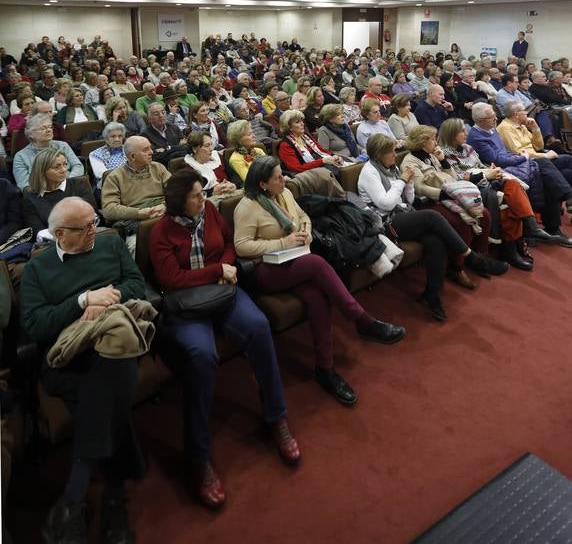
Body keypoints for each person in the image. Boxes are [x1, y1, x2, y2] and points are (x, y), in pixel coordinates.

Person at [148, 169, 300, 508]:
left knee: (259, 327)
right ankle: (198, 456)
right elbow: (172, 279)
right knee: (202, 356)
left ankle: (276, 417)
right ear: (178, 201)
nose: (203, 199)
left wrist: (226, 268)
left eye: (203, 193)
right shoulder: (161, 230)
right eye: (196, 196)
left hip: (222, 292)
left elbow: (229, 245)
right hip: (188, 304)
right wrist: (216, 271)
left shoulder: (211, 212)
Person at [20, 198, 146, 544]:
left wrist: (113, 296)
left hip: (115, 344)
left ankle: (74, 500)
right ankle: (114, 496)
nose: (94, 231)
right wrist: (82, 302)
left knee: (111, 369)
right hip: (67, 358)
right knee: (108, 394)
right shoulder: (38, 269)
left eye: (95, 222)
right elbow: (34, 326)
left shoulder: (110, 243)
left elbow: (138, 285)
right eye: (84, 227)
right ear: (60, 234)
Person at [233, 157, 405, 406]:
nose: (284, 180)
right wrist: (283, 243)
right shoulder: (247, 207)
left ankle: (325, 369)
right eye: (278, 177)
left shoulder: (284, 194)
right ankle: (361, 320)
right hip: (266, 269)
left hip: (294, 260)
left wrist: (303, 230)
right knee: (316, 264)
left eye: (283, 174)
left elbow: (303, 215)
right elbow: (242, 246)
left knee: (317, 297)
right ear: (262, 184)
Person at [358, 134, 475, 319]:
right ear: (379, 154)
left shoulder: (390, 166)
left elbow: (408, 200)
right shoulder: (369, 172)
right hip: (384, 223)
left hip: (401, 214)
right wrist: (403, 181)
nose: (394, 155)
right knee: (431, 216)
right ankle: (469, 255)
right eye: (391, 152)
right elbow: (386, 204)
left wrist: (409, 183)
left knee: (435, 240)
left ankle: (432, 294)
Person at [437, 118, 560, 268]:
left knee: (512, 186)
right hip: (470, 189)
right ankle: (517, 244)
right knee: (508, 202)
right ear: (451, 134)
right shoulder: (445, 154)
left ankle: (526, 233)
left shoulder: (468, 148)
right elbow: (456, 177)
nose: (466, 132)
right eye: (462, 131)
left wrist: (492, 169)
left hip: (487, 179)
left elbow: (481, 165)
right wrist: (485, 175)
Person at [400, 125, 509, 286]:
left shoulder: (432, 156)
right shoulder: (410, 161)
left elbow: (452, 178)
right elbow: (419, 188)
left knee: (483, 213)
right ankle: (455, 268)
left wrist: (443, 161)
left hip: (449, 195)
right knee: (462, 221)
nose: (435, 141)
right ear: (422, 142)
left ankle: (481, 257)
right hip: (429, 203)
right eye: (432, 138)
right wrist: (445, 194)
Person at [467, 103, 572, 244]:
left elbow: (533, 147)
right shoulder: (477, 136)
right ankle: (558, 217)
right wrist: (522, 158)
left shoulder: (491, 129)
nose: (495, 118)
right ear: (480, 121)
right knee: (545, 169)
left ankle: (554, 223)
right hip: (500, 170)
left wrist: (534, 129)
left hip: (514, 162)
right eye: (491, 117)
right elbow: (497, 159)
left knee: (550, 173)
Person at [101, 136, 170, 254]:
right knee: (134, 246)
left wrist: (165, 205)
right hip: (137, 222)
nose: (151, 152)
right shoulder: (115, 177)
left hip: (164, 213)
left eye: (150, 148)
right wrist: (138, 213)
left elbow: (177, 191)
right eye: (145, 150)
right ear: (132, 156)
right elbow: (108, 209)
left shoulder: (158, 167)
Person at [22, 149, 99, 237]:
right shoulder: (30, 198)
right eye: (57, 167)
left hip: (88, 235)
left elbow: (94, 216)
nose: (64, 170)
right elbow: (39, 233)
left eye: (65, 164)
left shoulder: (79, 185)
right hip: (54, 243)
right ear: (42, 171)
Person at [497, 103, 572, 186]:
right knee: (568, 159)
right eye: (524, 111)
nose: (527, 113)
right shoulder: (505, 128)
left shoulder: (522, 126)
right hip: (528, 162)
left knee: (566, 173)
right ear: (516, 114)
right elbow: (519, 152)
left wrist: (535, 128)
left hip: (537, 158)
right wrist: (545, 156)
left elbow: (539, 146)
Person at [13, 113, 84, 191]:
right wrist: (51, 188)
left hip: (70, 187)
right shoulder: (21, 156)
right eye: (43, 128)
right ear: (31, 134)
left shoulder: (62, 145)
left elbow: (78, 166)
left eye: (50, 127)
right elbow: (24, 185)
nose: (49, 130)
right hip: (41, 195)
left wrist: (67, 183)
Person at [278, 110, 343, 174]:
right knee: (336, 172)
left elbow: (321, 150)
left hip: (320, 163)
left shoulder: (305, 136)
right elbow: (297, 168)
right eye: (297, 122)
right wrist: (323, 161)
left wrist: (334, 156)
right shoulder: (285, 145)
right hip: (307, 174)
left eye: (302, 121)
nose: (302, 124)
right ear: (289, 127)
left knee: (346, 163)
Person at [184, 130, 237, 196]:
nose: (211, 148)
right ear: (195, 149)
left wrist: (233, 185)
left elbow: (235, 177)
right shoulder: (189, 167)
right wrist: (212, 191)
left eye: (211, 144)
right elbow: (191, 194)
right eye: (207, 146)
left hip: (230, 195)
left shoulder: (217, 157)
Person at [88, 122, 128, 189]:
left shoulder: (129, 149)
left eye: (120, 136)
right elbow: (102, 175)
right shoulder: (95, 154)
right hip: (109, 187)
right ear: (106, 139)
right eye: (113, 136)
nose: (117, 139)